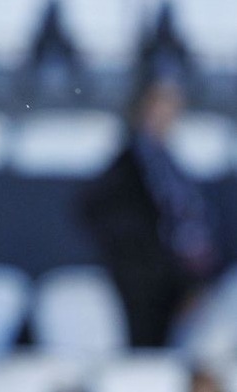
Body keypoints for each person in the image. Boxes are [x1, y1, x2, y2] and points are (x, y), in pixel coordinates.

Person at [79, 75, 222, 347]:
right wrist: (149, 260)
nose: (168, 114)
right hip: (148, 283)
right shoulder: (129, 164)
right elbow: (95, 210)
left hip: (181, 279)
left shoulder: (168, 161)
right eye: (161, 105)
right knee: (148, 352)